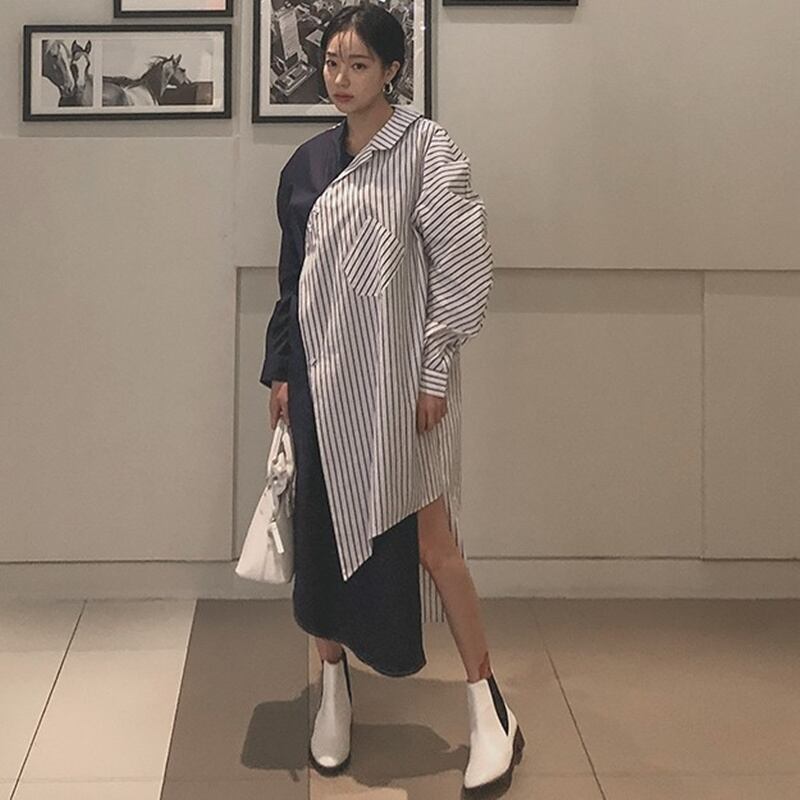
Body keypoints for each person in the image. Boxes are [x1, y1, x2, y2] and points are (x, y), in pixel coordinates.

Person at [259, 2, 524, 793]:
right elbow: (291, 282)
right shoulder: (307, 164)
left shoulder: (426, 151)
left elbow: (464, 265)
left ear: (393, 69)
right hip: (320, 384)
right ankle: (333, 688)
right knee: (320, 539)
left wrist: (434, 370)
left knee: (433, 545)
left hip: (403, 389)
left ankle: (488, 706)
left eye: (359, 64)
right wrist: (282, 372)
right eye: (331, 63)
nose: (341, 79)